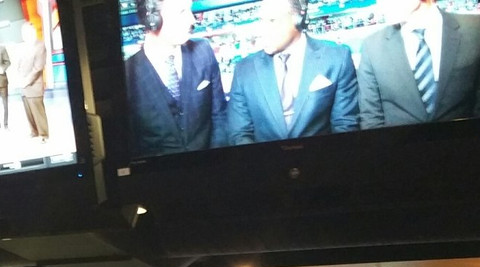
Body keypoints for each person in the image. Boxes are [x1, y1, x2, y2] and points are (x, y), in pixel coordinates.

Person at [227, 0, 359, 145]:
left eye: (272, 20)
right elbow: (240, 133)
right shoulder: (244, 69)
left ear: (298, 20)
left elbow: (345, 125)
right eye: (261, 20)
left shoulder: (337, 58)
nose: (261, 31)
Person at [125, 0, 227, 157]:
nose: (192, 19)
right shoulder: (128, 74)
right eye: (181, 12)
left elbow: (219, 115)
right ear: (152, 19)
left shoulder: (203, 51)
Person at [358, 0, 480, 129]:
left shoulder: (474, 30)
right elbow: (370, 116)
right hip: (398, 141)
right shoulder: (372, 46)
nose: (381, 3)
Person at [14, 22, 49, 142]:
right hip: (24, 86)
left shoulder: (40, 45)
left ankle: (44, 135)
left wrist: (26, 81)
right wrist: (19, 78)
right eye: (23, 32)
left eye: (26, 32)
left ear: (32, 32)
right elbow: (18, 64)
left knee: (38, 112)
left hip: (34, 85)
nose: (24, 35)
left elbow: (38, 68)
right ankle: (34, 131)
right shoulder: (22, 47)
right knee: (28, 111)